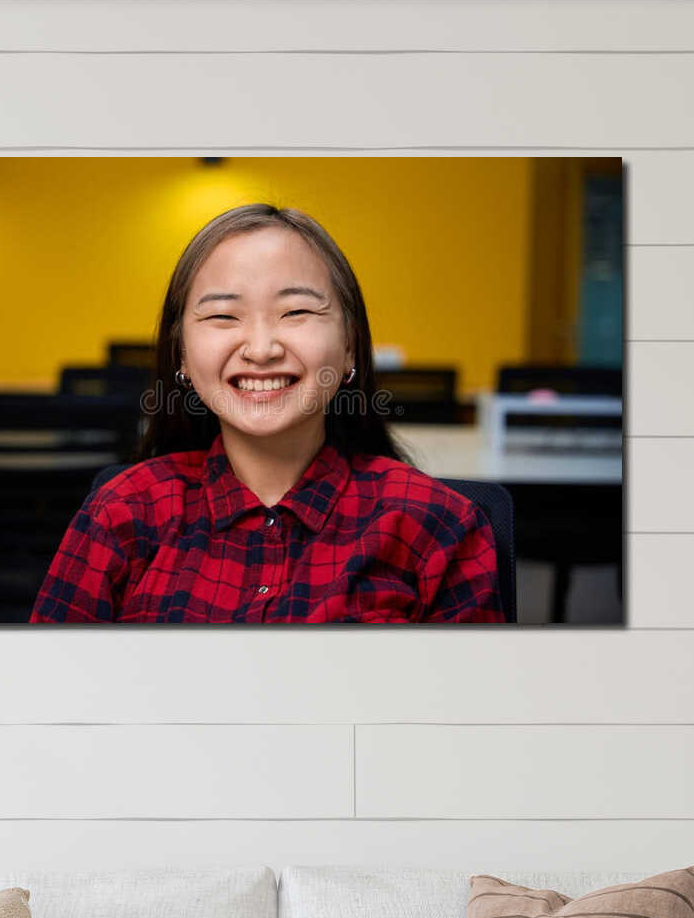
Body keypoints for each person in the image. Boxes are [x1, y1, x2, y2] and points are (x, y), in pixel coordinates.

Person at [30, 205, 504, 624]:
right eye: (223, 316)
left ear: (351, 346)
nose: (261, 349)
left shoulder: (440, 525)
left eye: (296, 312)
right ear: (180, 355)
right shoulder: (123, 512)